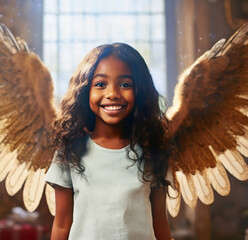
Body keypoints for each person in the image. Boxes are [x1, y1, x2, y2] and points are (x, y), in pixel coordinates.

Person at [45, 42, 171, 240]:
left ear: (141, 91)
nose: (112, 93)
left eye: (125, 84)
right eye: (101, 84)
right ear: (86, 91)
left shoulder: (152, 152)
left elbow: (160, 226)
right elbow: (61, 226)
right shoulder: (69, 152)